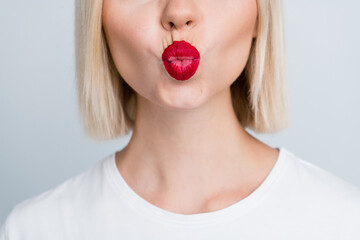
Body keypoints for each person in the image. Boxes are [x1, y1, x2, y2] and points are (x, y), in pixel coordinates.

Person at [1, 0, 359, 239]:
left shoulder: (342, 223)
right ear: (98, 17)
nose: (179, 11)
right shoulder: (35, 230)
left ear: (259, 13)